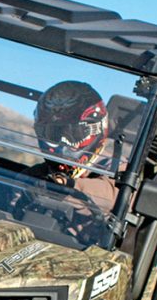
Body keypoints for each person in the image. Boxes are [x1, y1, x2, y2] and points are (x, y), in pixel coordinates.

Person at [28, 80, 120, 211]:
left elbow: (112, 195)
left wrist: (66, 185)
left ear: (97, 128)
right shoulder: (38, 174)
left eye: (74, 132)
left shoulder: (113, 165)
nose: (63, 141)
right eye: (53, 133)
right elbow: (14, 196)